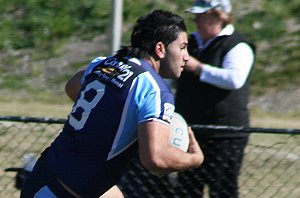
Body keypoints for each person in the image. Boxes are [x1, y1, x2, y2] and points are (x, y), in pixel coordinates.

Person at [20, 9, 204, 198]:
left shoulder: (105, 64)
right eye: (182, 47)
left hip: (44, 174)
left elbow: (72, 86)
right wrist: (194, 159)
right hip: (65, 191)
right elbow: (156, 159)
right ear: (160, 49)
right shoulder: (154, 89)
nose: (186, 56)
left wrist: (113, 116)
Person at [174, 0, 255, 198]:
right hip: (190, 130)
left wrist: (197, 67)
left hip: (224, 135)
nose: (197, 20)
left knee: (222, 190)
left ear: (220, 16)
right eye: (196, 16)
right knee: (186, 190)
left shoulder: (237, 45)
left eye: (203, 15)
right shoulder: (189, 42)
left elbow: (234, 79)